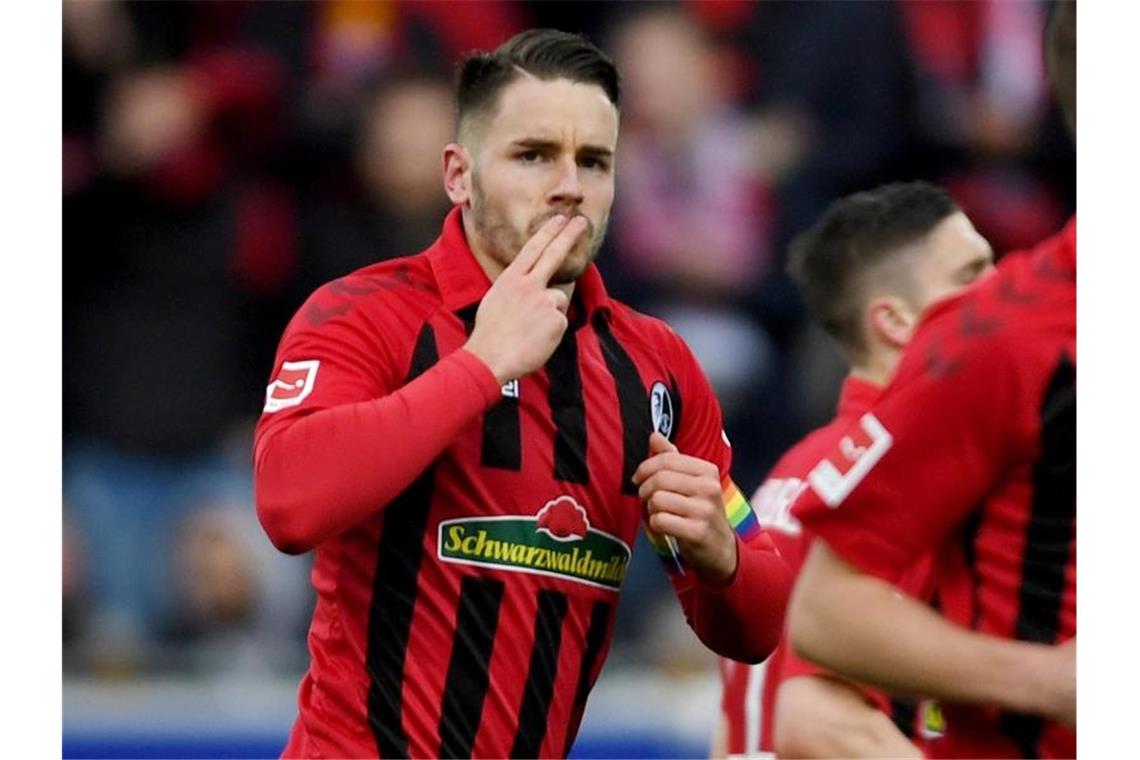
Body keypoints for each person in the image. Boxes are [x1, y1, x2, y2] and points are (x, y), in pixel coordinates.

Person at [253, 29, 791, 759]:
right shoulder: (363, 315)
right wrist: (481, 365)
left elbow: (755, 630)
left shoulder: (657, 368)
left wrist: (720, 555)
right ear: (458, 175)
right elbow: (289, 501)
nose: (569, 183)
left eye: (594, 161)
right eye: (534, 155)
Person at [787, 4, 1076, 758]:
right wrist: (1057, 682)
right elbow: (804, 701)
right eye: (967, 274)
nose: (984, 287)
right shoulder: (1007, 337)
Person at [713, 181, 994, 759]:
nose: (1001, 295)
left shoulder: (795, 473)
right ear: (894, 321)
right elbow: (817, 722)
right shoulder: (904, 480)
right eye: (972, 276)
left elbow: (740, 716)